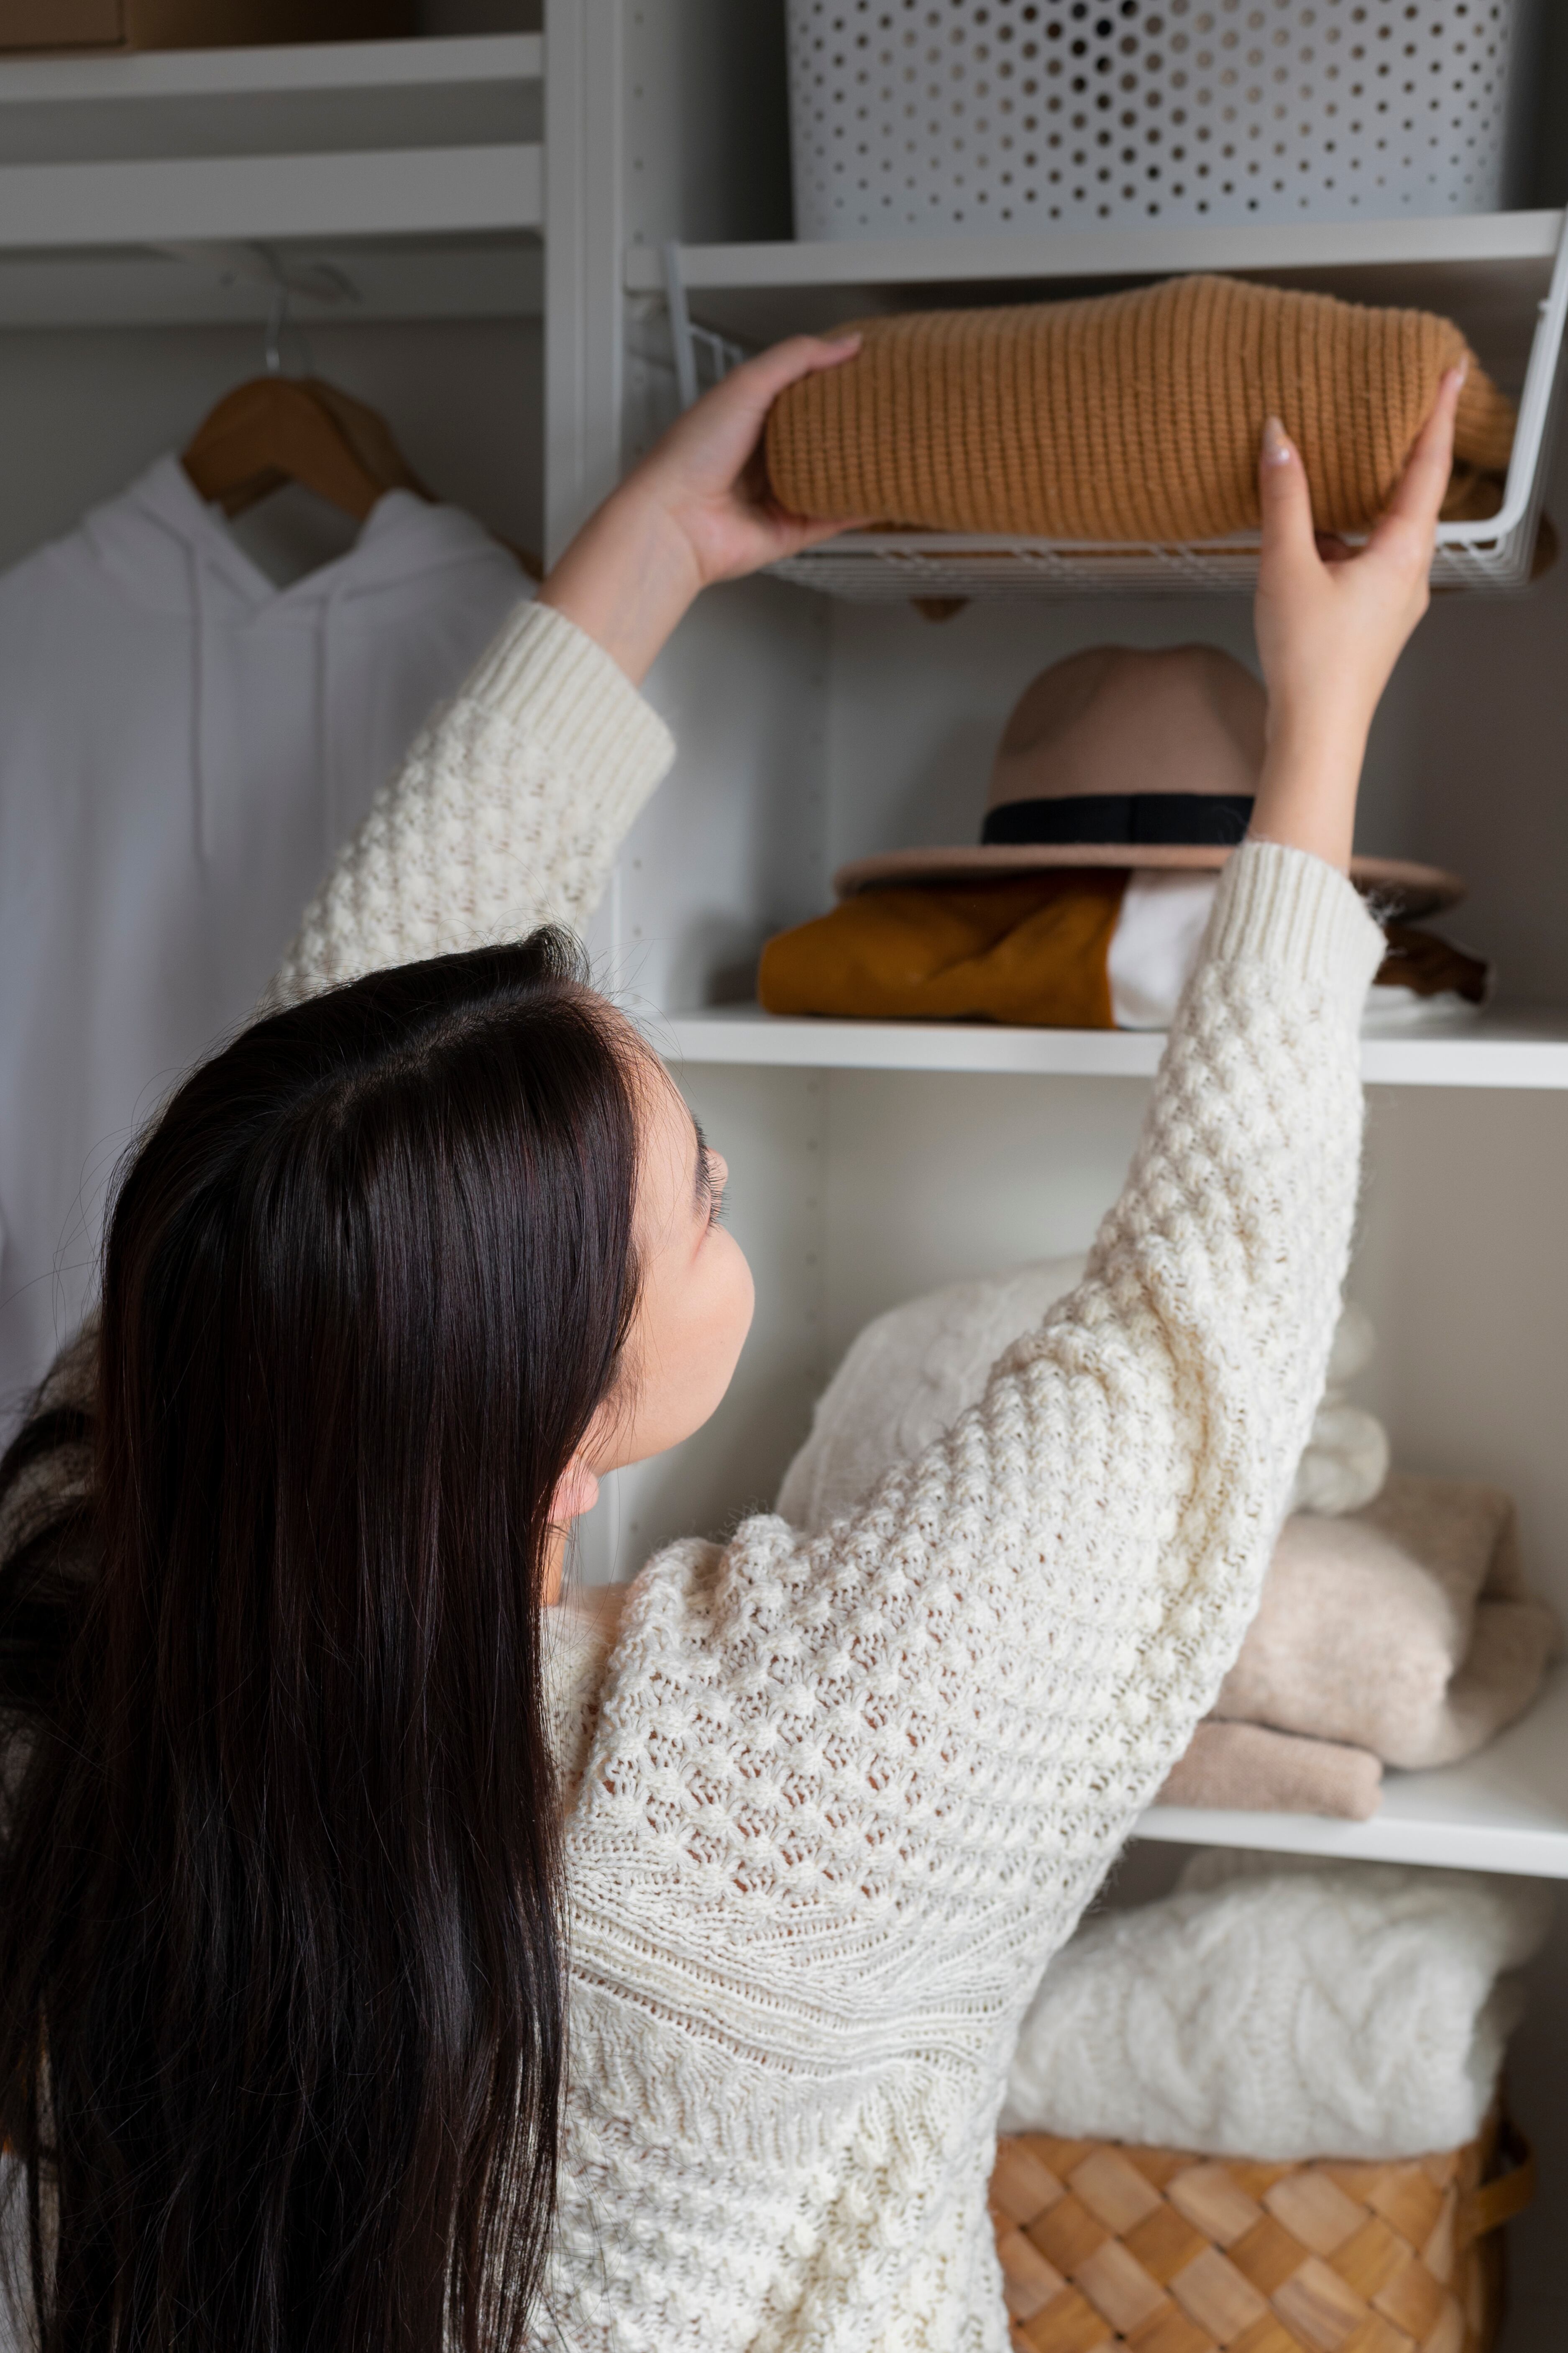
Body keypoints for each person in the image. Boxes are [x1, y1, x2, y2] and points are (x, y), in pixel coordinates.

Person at [0, 337, 1463, 2353]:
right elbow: (1185, 1356)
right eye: (693, 1192)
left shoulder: (94, 1594)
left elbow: (352, 1097)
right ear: (551, 1397)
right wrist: (1321, 735)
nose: (723, 1194)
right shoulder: (752, 1786)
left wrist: (657, 551)